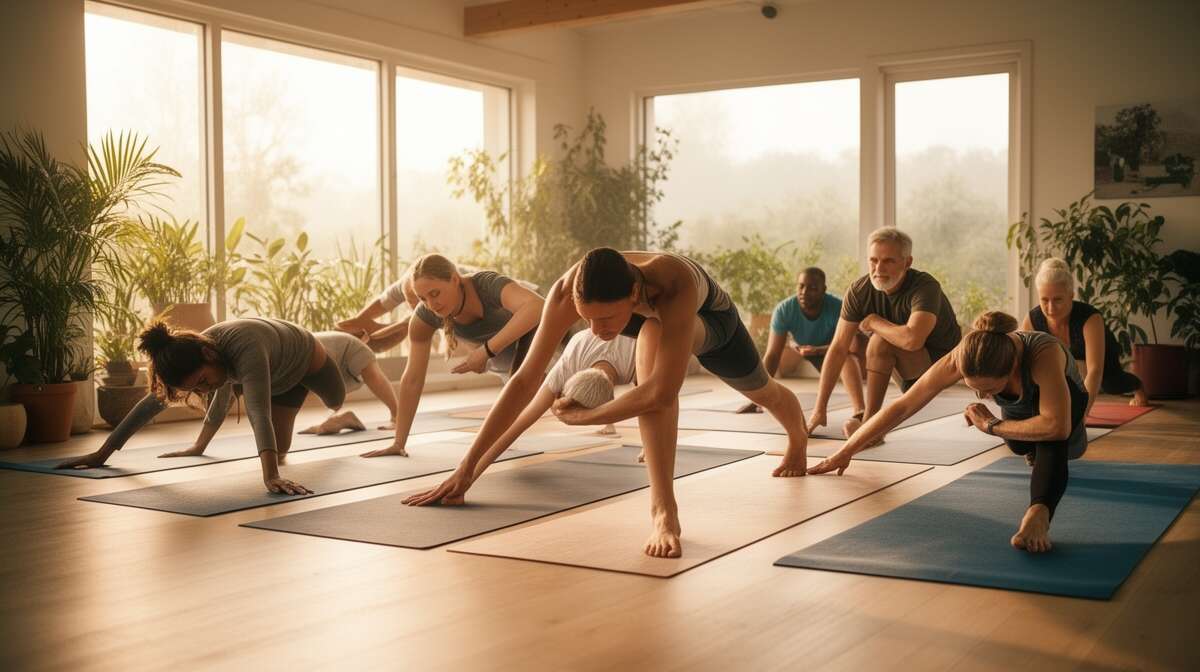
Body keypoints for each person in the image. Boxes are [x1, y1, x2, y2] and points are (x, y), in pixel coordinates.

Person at [402, 248, 811, 559]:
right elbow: (525, 380)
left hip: (714, 323)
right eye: (587, 319)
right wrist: (466, 471)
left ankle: (797, 437)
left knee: (762, 391)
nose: (597, 332)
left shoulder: (673, 282)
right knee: (648, 337)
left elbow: (662, 393)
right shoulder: (566, 292)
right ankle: (664, 513)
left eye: (607, 320)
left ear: (633, 293)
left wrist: (588, 417)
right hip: (648, 322)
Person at [809, 311, 1088, 553]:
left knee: (1050, 438)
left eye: (989, 389)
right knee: (1019, 445)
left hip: (1067, 405)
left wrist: (990, 425)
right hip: (1020, 408)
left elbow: (1056, 425)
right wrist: (846, 451)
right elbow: (903, 406)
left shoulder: (1042, 354)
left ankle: (1037, 516)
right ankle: (1028, 444)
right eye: (974, 388)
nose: (983, 395)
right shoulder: (964, 355)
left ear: (1013, 367)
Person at [56, 318, 346, 495]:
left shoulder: (246, 348)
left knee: (336, 401)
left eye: (202, 382)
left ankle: (345, 392)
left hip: (306, 361)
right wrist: (102, 454)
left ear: (209, 354)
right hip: (277, 382)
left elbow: (259, 413)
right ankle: (325, 414)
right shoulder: (203, 356)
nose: (202, 390)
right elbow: (151, 404)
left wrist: (271, 477)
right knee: (279, 451)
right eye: (195, 389)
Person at [359, 254, 544, 458]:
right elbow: (412, 379)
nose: (431, 304)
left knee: (536, 393)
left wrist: (486, 351)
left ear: (455, 279)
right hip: (504, 354)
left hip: (542, 332)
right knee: (518, 400)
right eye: (423, 298)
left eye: (435, 293)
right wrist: (398, 443)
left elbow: (537, 307)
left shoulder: (486, 284)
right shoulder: (425, 317)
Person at [808, 227, 962, 441]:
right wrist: (819, 409)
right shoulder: (859, 291)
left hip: (943, 366)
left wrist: (873, 321)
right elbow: (838, 348)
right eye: (873, 260)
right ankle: (867, 420)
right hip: (906, 372)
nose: (878, 269)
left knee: (879, 341)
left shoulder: (925, 286)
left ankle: (870, 427)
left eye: (888, 261)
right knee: (863, 343)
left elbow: (912, 340)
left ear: (907, 262)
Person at [448, 328, 644, 483]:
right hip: (590, 338)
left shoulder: (638, 356)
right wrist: (467, 475)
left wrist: (647, 446)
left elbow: (648, 403)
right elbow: (519, 423)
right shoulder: (569, 363)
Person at [1023, 257, 1148, 414]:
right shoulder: (1032, 320)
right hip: (1061, 359)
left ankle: (1138, 386)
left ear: (1071, 295)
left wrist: (1082, 413)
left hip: (1100, 349)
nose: (1051, 308)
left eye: (1058, 300)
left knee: (1111, 384)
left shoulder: (1090, 318)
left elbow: (1095, 370)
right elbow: (1025, 366)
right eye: (1044, 300)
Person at [738, 267, 865, 415]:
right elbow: (773, 354)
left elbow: (852, 346)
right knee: (775, 359)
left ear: (823, 290)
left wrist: (817, 350)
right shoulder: (784, 310)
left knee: (847, 358)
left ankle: (860, 410)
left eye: (812, 288)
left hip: (835, 351)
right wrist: (756, 400)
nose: (804, 292)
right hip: (804, 350)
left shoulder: (839, 307)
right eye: (801, 286)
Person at [297, 330, 400, 435]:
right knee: (324, 391)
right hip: (330, 355)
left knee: (373, 376)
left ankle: (398, 416)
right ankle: (342, 417)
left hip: (348, 346)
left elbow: (376, 379)